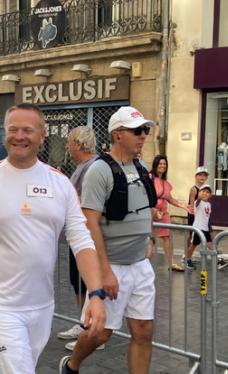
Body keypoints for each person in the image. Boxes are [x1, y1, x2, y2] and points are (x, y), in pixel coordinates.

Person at [0, 103, 105, 374]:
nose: (19, 136)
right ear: (5, 134)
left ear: (42, 136)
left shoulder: (60, 183)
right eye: (13, 129)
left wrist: (96, 295)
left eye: (28, 130)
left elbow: (81, 240)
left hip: (41, 304)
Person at [62, 106, 158, 374]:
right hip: (112, 265)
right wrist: (103, 272)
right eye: (137, 130)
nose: (143, 136)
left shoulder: (141, 166)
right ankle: (72, 365)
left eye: (145, 130)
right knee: (100, 334)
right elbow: (89, 223)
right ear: (118, 135)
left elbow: (146, 209)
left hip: (140, 264)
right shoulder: (100, 170)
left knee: (143, 331)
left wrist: (150, 238)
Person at [57, 126, 101, 347]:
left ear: (79, 145)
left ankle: (94, 333)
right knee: (77, 281)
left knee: (88, 281)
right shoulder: (82, 166)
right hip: (78, 236)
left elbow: (85, 199)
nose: (67, 147)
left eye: (69, 142)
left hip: (87, 236)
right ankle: (85, 323)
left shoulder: (93, 167)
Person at [148, 155, 196, 273]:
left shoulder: (165, 182)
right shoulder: (149, 178)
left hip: (162, 214)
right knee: (148, 239)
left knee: (168, 237)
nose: (162, 166)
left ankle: (172, 263)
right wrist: (150, 208)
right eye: (160, 163)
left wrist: (183, 206)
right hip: (150, 213)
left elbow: (170, 198)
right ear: (155, 165)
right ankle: (145, 264)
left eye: (164, 164)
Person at [185, 184, 214, 267]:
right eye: (203, 191)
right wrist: (199, 198)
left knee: (210, 244)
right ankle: (187, 259)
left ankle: (216, 259)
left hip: (205, 228)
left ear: (210, 195)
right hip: (198, 228)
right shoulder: (198, 203)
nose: (205, 194)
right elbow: (196, 203)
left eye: (207, 192)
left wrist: (209, 229)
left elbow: (207, 217)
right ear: (199, 193)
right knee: (193, 244)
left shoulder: (209, 204)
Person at [184, 167, 209, 264]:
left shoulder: (206, 189)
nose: (202, 177)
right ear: (196, 176)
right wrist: (193, 214)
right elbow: (192, 204)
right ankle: (185, 254)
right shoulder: (193, 189)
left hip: (201, 215)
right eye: (200, 175)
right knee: (191, 235)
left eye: (204, 175)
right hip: (193, 214)